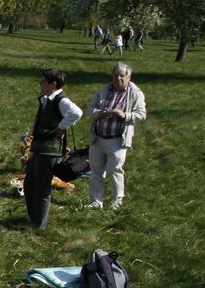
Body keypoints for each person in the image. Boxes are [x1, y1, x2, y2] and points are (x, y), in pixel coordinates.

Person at [24, 68, 82, 229]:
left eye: (43, 81)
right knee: (29, 185)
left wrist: (61, 127)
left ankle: (38, 226)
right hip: (40, 150)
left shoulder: (60, 100)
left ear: (53, 84)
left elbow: (76, 113)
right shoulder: (48, 99)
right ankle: (33, 220)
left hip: (49, 151)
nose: (40, 83)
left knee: (41, 190)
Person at [85, 62, 147, 210]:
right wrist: (99, 113)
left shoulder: (135, 94)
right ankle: (95, 201)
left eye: (122, 76)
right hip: (98, 137)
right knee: (96, 171)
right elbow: (90, 110)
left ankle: (116, 202)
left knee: (114, 170)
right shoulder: (103, 90)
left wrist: (124, 115)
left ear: (128, 77)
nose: (118, 78)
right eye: (115, 75)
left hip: (118, 140)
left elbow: (141, 114)